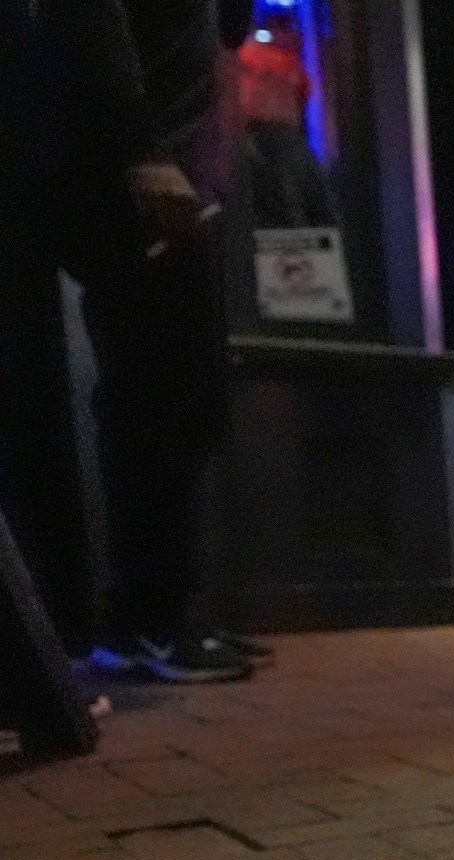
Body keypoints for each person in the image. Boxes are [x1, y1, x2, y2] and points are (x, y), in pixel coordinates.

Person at [60, 0, 262, 684]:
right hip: (137, 173)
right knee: (158, 391)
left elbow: (228, 26)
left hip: (178, 167)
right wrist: (142, 153)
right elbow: (91, 25)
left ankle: (162, 614)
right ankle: (149, 622)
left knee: (184, 391)